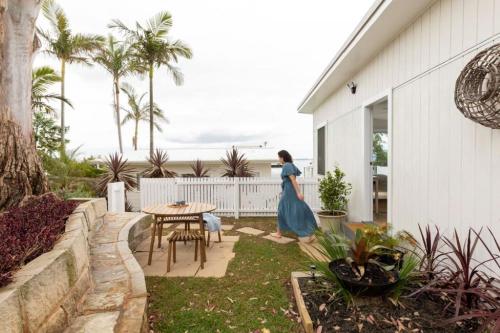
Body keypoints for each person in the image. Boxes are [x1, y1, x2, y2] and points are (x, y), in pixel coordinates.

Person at [271, 150, 317, 241]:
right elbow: (290, 180)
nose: (278, 159)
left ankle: (307, 232)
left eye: (279, 157)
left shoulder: (287, 166)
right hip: (288, 190)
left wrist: (299, 192)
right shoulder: (291, 165)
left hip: (289, 191)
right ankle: (279, 232)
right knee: (297, 209)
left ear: (282, 157)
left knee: (284, 210)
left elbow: (293, 180)